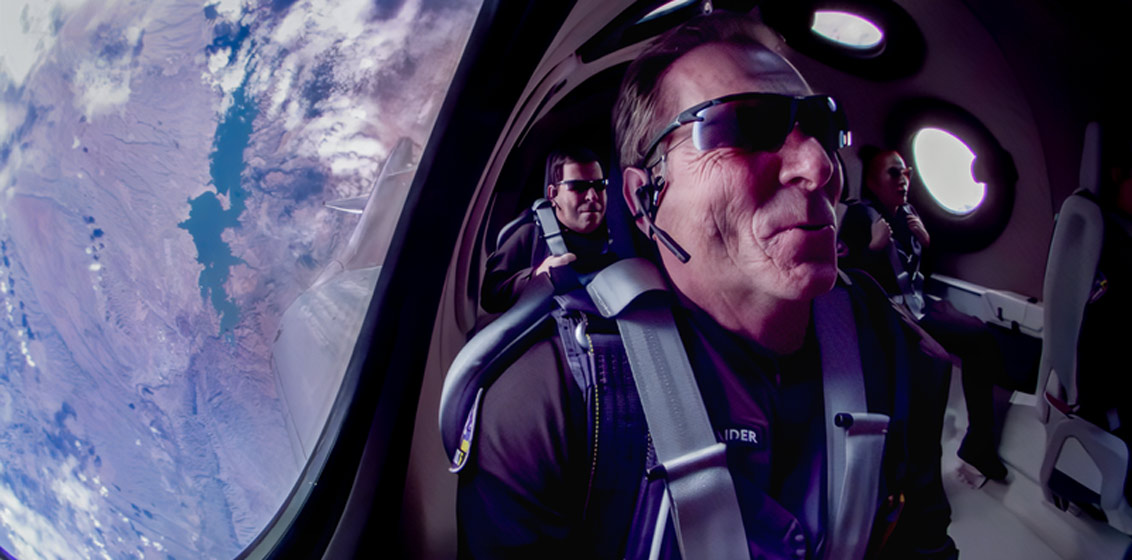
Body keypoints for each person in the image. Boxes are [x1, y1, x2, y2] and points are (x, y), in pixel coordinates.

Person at [456, 11, 956, 559]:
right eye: (743, 127)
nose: (818, 165)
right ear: (644, 199)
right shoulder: (550, 402)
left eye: (821, 126)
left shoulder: (897, 352)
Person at [839, 146, 1009, 485]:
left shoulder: (908, 214)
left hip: (917, 305)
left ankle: (979, 445)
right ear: (871, 181)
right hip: (885, 314)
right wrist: (872, 249)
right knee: (935, 362)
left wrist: (925, 241)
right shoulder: (859, 217)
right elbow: (848, 280)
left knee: (981, 336)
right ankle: (920, 480)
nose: (903, 179)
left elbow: (918, 274)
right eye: (893, 173)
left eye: (906, 173)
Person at [480, 146, 616, 313]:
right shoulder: (530, 235)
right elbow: (491, 296)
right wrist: (539, 275)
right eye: (577, 187)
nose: (592, 196)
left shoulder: (621, 234)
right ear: (552, 194)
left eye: (599, 185)